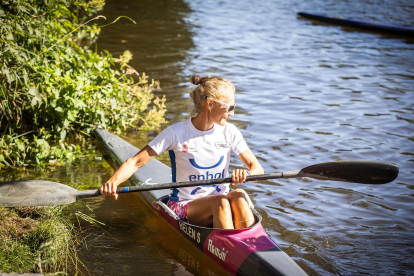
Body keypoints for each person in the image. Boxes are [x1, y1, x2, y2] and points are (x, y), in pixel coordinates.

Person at [100, 75, 264, 229]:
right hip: (185, 206)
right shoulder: (176, 133)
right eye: (229, 107)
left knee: (239, 194)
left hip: (220, 202)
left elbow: (257, 169)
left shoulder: (230, 132)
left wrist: (246, 175)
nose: (232, 113)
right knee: (221, 202)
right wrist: (113, 182)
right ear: (210, 104)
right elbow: (135, 162)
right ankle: (230, 248)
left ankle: (249, 242)